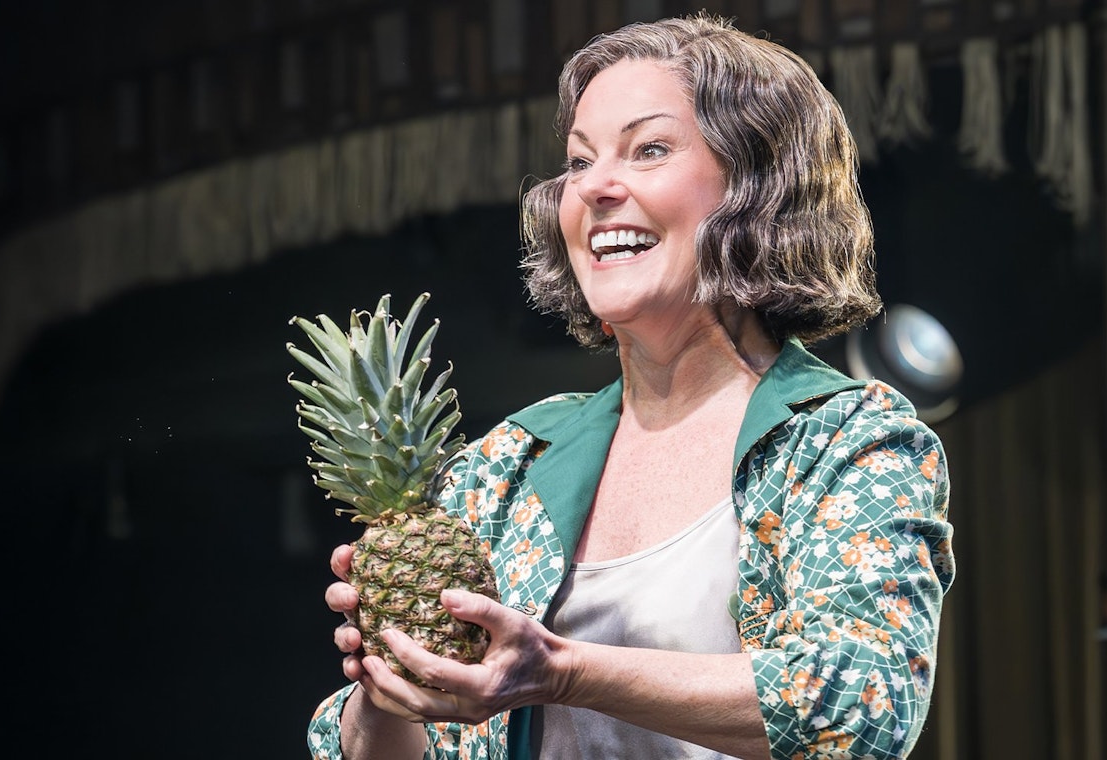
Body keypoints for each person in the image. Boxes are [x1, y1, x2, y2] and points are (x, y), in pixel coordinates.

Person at [308, 13, 955, 760]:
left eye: (648, 150)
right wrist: (387, 685)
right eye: (580, 161)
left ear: (757, 186)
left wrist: (564, 672)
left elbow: (863, 702)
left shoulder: (849, 442)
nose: (595, 188)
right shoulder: (507, 465)